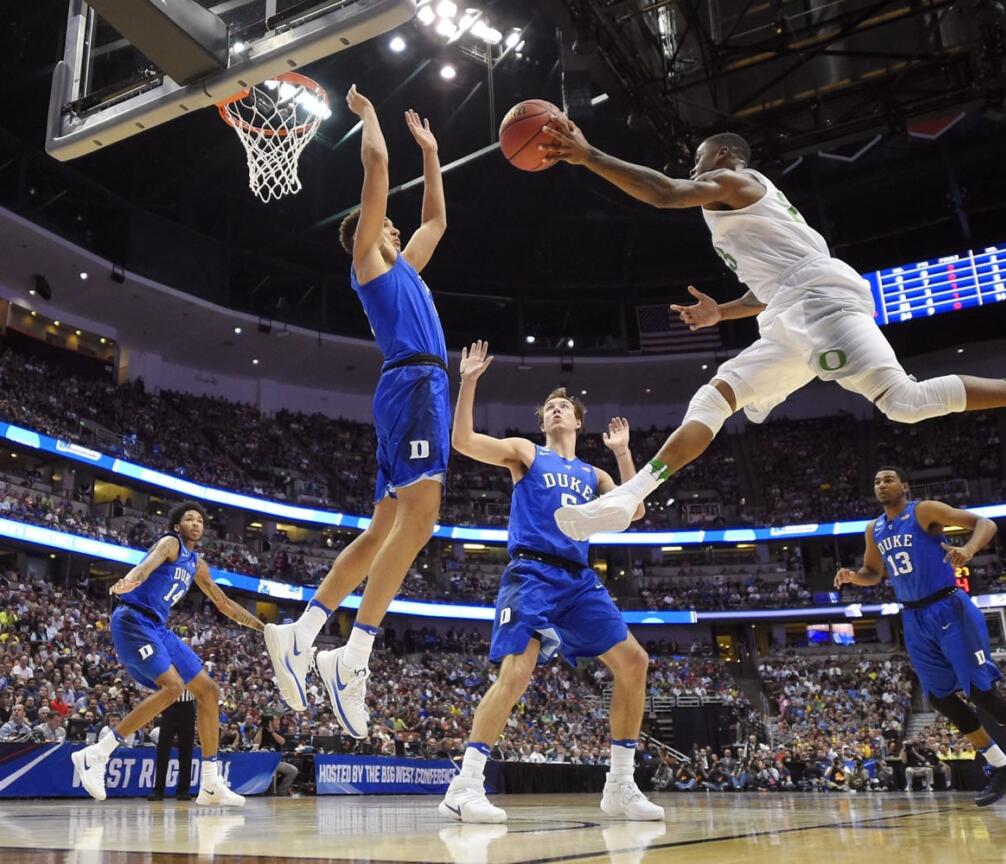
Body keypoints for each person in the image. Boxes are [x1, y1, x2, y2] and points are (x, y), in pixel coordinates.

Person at [539, 120, 1006, 543]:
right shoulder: (746, 209)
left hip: (819, 302)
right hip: (790, 310)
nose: (693, 168)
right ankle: (629, 496)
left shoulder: (736, 182)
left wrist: (589, 155)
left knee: (906, 404)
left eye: (700, 159)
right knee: (716, 396)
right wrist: (721, 314)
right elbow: (768, 284)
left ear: (723, 158)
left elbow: (668, 193)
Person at [263, 90, 449, 739]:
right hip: (413, 386)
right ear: (371, 237)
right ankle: (355, 654)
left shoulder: (411, 272)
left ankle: (304, 631)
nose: (399, 229)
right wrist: (371, 117)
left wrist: (430, 154)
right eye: (389, 226)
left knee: (380, 534)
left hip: (413, 391)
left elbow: (436, 223)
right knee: (421, 519)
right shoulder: (369, 259)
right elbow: (374, 171)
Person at [437, 341, 664, 823]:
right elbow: (464, 441)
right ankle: (465, 784)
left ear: (578, 422)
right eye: (549, 407)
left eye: (564, 406)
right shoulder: (526, 453)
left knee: (634, 662)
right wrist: (469, 380)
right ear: (543, 422)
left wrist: (623, 454)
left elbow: (635, 508)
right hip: (532, 573)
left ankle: (620, 784)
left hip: (579, 582)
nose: (557, 409)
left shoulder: (593, 472)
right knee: (516, 674)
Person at [835, 468, 1006, 810]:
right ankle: (1003, 767)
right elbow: (874, 573)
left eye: (888, 479)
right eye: (876, 481)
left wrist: (969, 550)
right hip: (913, 617)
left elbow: (985, 523)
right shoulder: (874, 529)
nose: (881, 484)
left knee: (980, 692)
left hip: (948, 607)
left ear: (904, 486)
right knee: (941, 698)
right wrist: (854, 576)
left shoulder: (924, 510)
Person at [70, 501, 262, 806]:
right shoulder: (170, 543)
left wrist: (262, 627)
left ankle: (211, 783)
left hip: (158, 627)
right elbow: (147, 565)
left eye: (200, 520)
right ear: (177, 526)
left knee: (209, 691)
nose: (197, 523)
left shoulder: (197, 564)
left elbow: (224, 604)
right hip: (133, 618)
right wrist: (130, 579)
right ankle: (96, 754)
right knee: (173, 687)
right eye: (190, 519)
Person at [149, 691, 196, 801]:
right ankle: (158, 790)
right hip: (169, 705)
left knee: (186, 751)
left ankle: (183, 791)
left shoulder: (194, 672)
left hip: (187, 706)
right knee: (163, 751)